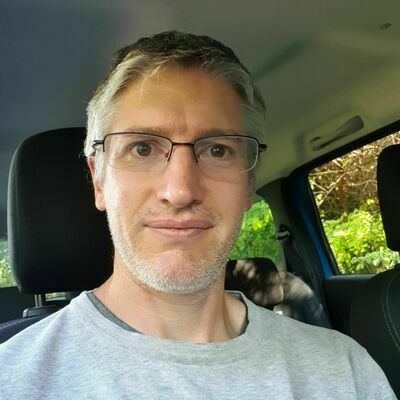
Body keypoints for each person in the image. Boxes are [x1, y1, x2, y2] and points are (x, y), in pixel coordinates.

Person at [0, 31, 395, 399]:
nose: (181, 191)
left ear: (248, 185)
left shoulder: (344, 370)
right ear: (99, 181)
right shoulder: (14, 378)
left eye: (218, 150)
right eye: (142, 148)